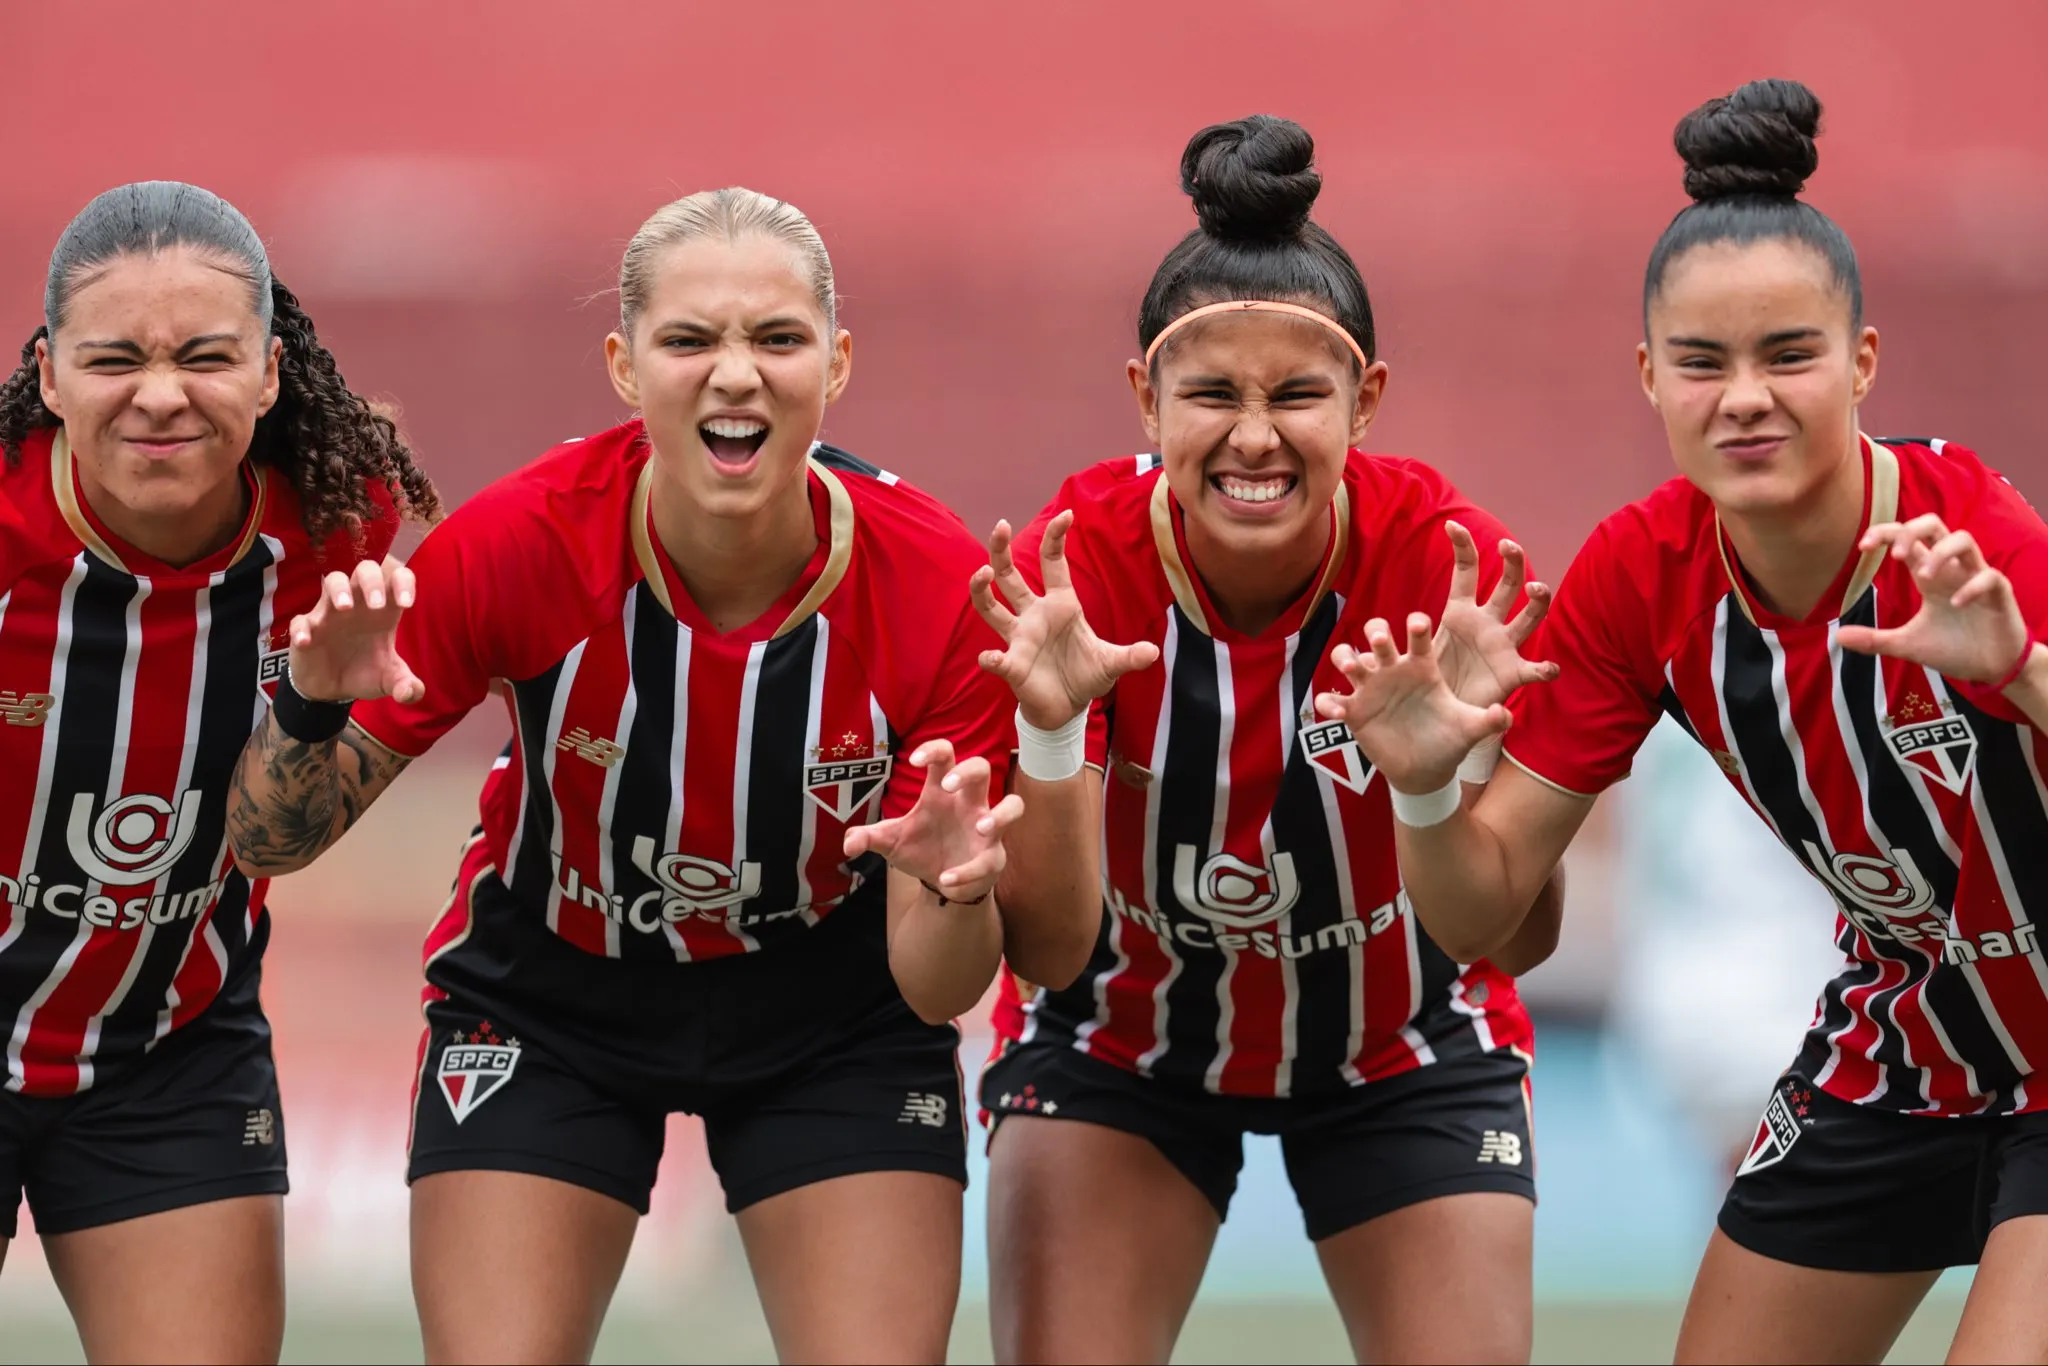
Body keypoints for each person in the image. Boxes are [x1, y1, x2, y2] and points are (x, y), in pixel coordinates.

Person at [225, 187, 1092, 1365]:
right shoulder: (518, 542)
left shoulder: (936, 583)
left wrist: (950, 888)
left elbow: (939, 993)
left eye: (776, 340)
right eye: (689, 340)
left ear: (834, 363)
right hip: (551, 996)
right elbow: (272, 841)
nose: (734, 374)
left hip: (831, 1012)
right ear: (625, 367)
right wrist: (309, 701)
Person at [1325, 79, 2048, 1364]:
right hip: (1911, 1041)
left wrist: (2025, 679)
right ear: (1649, 376)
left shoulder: (1966, 538)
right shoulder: (1635, 579)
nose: (1744, 399)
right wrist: (1428, 785)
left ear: (1861, 363)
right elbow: (1487, 918)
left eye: (1788, 356)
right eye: (1702, 364)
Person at [969, 115, 1564, 1365]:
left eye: (1297, 394)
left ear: (1366, 400)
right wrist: (1053, 736)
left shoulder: (1446, 570)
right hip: (1117, 1044)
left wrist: (1438, 781)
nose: (1253, 437)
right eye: (1209, 395)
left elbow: (1517, 933)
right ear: (1144, 395)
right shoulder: (1071, 571)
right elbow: (1041, 943)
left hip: (1405, 1039)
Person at [0, 181, 437, 1363]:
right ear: (47, 376)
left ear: (267, 375)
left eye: (204, 356)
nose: (159, 395)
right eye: (112, 359)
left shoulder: (338, 532)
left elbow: (269, 841)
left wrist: (312, 703)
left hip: (167, 1046)